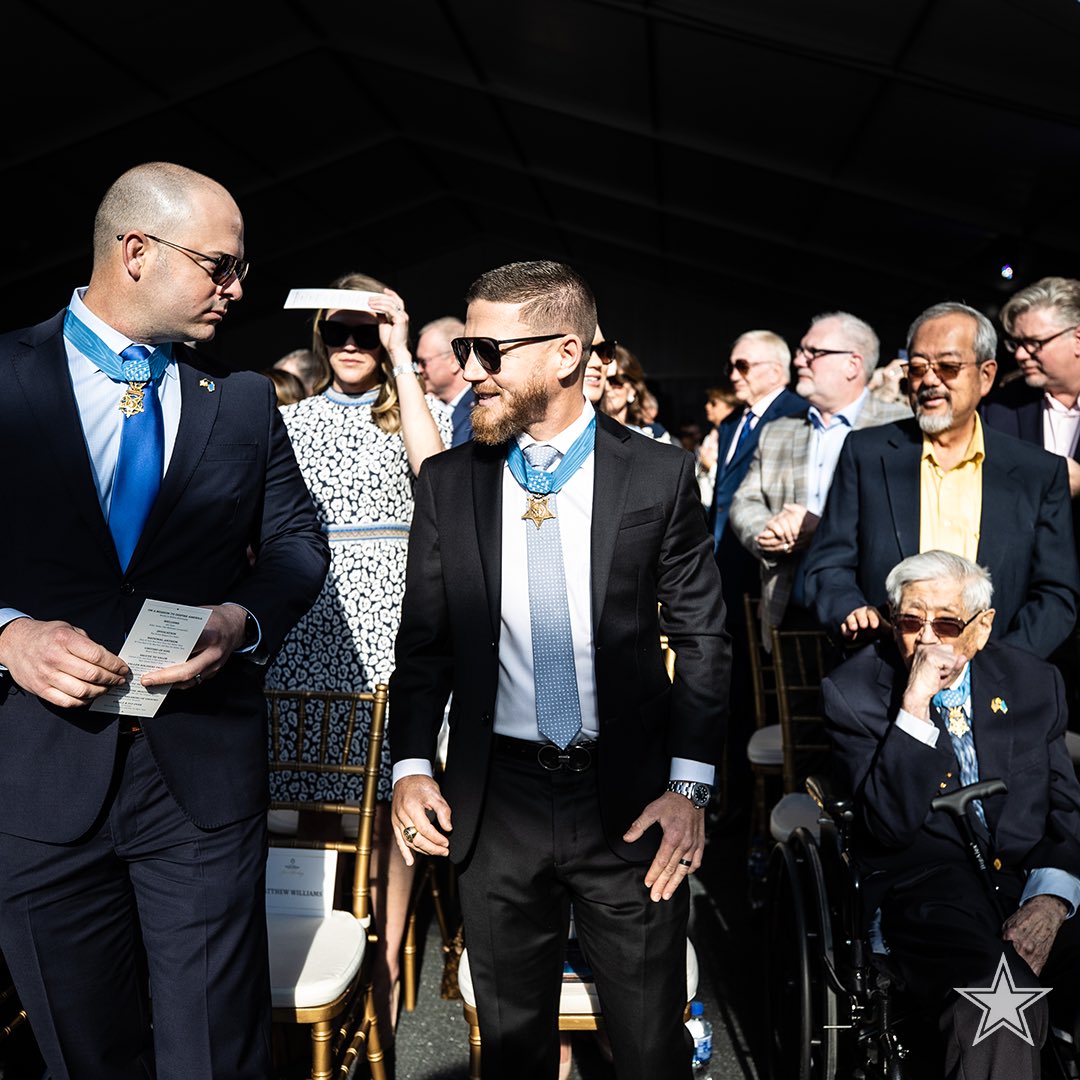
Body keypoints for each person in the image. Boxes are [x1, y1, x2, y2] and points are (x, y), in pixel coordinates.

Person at [0, 162, 330, 1080]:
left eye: (241, 272)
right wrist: (7, 635)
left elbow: (298, 542)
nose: (236, 290)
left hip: (200, 780)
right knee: (84, 1053)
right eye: (220, 266)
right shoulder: (2, 375)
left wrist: (241, 618)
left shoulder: (248, 400)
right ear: (135, 252)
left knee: (215, 1056)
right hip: (33, 779)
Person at [388, 259, 730, 1080]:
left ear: (567, 352)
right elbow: (426, 641)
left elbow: (704, 637)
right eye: (465, 348)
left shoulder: (657, 474)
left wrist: (689, 790)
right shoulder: (447, 483)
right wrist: (407, 765)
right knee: (511, 1050)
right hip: (494, 801)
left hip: (630, 804)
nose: (470, 370)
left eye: (488, 351)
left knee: (650, 1048)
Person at [264, 271, 451, 1043]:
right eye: (335, 332)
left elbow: (437, 479)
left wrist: (403, 354)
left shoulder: (420, 407)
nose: (349, 345)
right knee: (308, 794)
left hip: (389, 622)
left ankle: (385, 958)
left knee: (388, 799)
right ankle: (311, 951)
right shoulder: (290, 420)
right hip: (308, 620)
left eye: (363, 332)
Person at [821, 550, 1080, 1079]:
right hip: (927, 885)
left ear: (980, 629)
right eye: (912, 622)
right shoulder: (854, 693)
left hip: (1031, 875)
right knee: (1000, 1004)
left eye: (945, 622)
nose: (928, 637)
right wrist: (914, 707)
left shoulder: (1034, 682)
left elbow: (1065, 809)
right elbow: (888, 826)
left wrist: (1053, 899)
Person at [804, 300, 1080, 661]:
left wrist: (1005, 664)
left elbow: (1057, 593)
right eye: (917, 368)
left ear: (986, 375)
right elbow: (828, 564)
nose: (930, 380)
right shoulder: (866, 453)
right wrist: (851, 611)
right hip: (887, 670)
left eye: (948, 367)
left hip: (1001, 685)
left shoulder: (1038, 471)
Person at [729, 311, 909, 649]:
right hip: (790, 610)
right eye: (801, 351)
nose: (799, 360)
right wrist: (770, 532)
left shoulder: (900, 428)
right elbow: (744, 500)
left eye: (813, 352)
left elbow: (906, 519)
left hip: (872, 615)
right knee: (791, 704)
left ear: (853, 365)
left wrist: (820, 528)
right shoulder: (780, 431)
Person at [416, 315, 474, 446]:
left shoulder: (479, 408)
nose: (419, 369)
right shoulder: (432, 406)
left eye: (424, 362)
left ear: (453, 362)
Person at [601, 342, 673, 442]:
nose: (606, 387)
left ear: (633, 389)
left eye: (615, 381)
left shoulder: (654, 436)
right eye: (600, 379)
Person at [695, 384, 739, 508]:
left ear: (730, 408)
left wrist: (712, 467)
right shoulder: (711, 435)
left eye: (714, 403)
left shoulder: (735, 437)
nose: (707, 407)